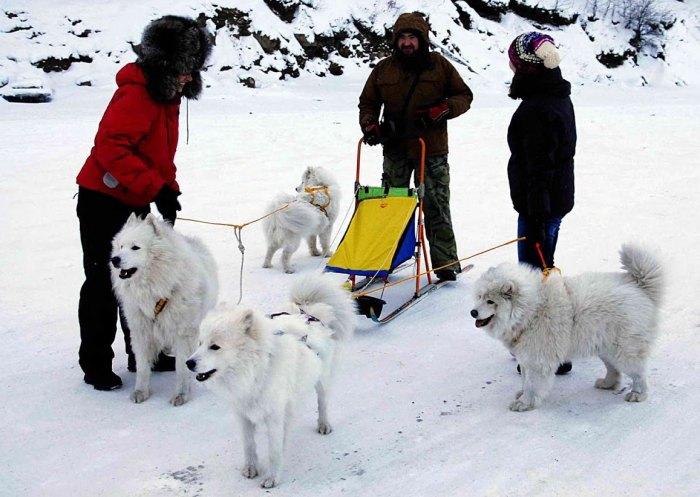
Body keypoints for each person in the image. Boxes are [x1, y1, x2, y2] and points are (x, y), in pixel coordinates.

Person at [75, 15, 212, 390]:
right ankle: (96, 362)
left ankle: (144, 355)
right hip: (102, 200)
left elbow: (157, 154)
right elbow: (111, 148)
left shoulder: (167, 94)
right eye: (184, 68)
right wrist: (155, 187)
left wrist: (169, 188)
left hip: (134, 197)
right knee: (106, 280)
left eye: (194, 69)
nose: (189, 77)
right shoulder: (137, 92)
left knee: (143, 280)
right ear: (165, 62)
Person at [358, 12, 473, 281]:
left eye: (413, 37)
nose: (407, 43)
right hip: (395, 149)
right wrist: (370, 125)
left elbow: (464, 96)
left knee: (436, 206)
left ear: (422, 40)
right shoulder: (383, 69)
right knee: (389, 206)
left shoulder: (439, 66)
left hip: (430, 150)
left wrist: (443, 109)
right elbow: (368, 102)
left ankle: (445, 266)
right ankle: (383, 261)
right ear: (396, 40)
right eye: (403, 38)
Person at [506, 32, 576, 375]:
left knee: (536, 278)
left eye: (515, 64)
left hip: (541, 206)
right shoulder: (555, 95)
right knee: (543, 271)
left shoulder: (538, 108)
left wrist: (534, 213)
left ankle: (547, 353)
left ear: (526, 68)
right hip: (552, 202)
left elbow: (539, 166)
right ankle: (550, 347)